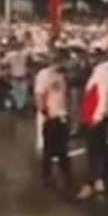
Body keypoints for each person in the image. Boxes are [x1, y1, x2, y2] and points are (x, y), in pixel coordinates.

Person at [76, 50, 108, 200]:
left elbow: (103, 95)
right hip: (93, 114)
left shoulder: (103, 71)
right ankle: (101, 178)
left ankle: (96, 181)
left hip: (93, 116)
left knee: (95, 150)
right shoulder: (106, 70)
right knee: (100, 148)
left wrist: (98, 116)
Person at [33, 52, 73, 194]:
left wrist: (68, 113)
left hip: (62, 114)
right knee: (49, 149)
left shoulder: (61, 76)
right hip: (51, 116)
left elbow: (64, 95)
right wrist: (44, 112)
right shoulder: (44, 75)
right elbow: (39, 95)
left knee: (63, 148)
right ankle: (46, 176)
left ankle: (66, 175)